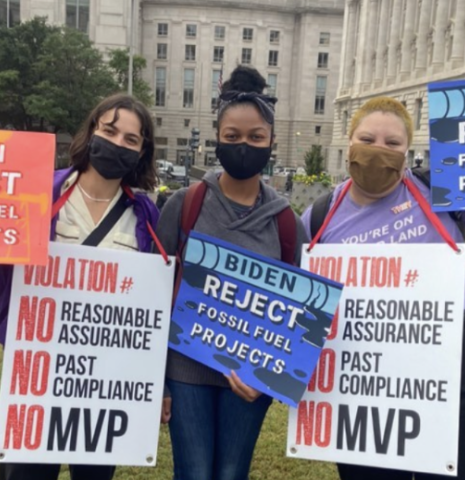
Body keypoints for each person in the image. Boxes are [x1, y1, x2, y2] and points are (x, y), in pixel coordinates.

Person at [302, 59, 465, 480]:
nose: (378, 149)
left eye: (392, 143)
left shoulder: (441, 192)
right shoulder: (320, 216)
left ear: (408, 151)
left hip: (454, 352)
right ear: (349, 143)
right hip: (365, 369)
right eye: (368, 139)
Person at [0, 93, 162, 480]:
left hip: (105, 381)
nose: (117, 144)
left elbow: (154, 299)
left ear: (142, 152)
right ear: (92, 129)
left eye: (131, 140)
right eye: (110, 131)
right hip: (36, 377)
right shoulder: (35, 191)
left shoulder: (146, 216)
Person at [155, 65, 309, 480]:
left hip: (250, 376)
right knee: (194, 473)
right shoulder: (184, 205)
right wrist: (159, 382)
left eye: (256, 137)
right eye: (233, 137)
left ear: (271, 142)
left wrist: (270, 379)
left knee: (230, 474)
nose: (244, 145)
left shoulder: (288, 224)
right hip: (186, 371)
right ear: (217, 138)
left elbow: (300, 314)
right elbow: (153, 297)